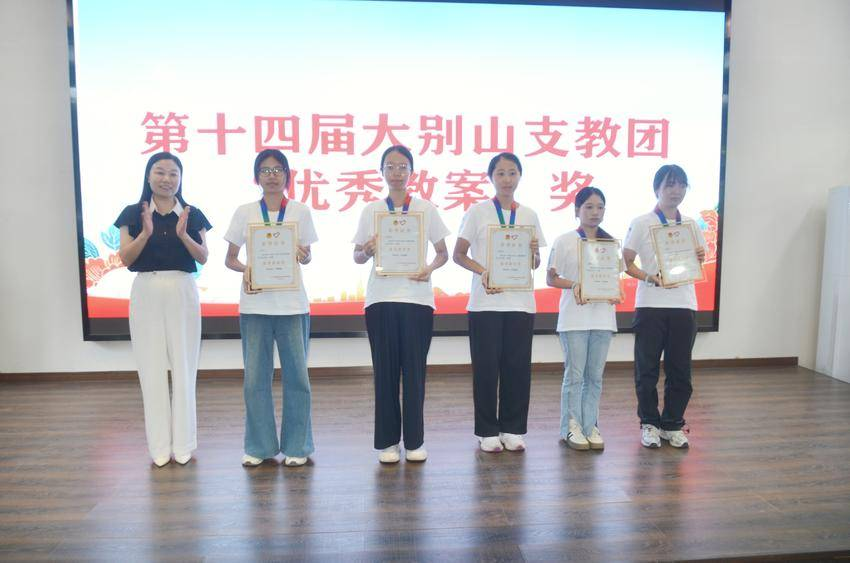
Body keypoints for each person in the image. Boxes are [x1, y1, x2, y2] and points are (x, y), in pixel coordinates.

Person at [353, 145, 449, 464]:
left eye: (403, 166)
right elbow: (357, 256)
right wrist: (366, 250)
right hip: (380, 300)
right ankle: (388, 442)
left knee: (415, 373)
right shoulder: (371, 210)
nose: (396, 172)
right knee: (385, 373)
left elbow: (442, 253)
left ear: (411, 172)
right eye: (390, 166)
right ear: (382, 172)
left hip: (417, 300)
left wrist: (429, 268)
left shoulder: (425, 209)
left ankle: (415, 441)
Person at [115, 151, 211, 467]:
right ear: (148, 176)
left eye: (173, 173)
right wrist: (145, 233)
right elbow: (126, 258)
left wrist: (183, 235)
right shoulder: (133, 213)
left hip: (182, 289)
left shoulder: (192, 214)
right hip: (147, 289)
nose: (166, 179)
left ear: (180, 179)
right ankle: (159, 446)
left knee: (184, 368)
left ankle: (183, 444)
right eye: (160, 172)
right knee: (151, 370)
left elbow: (203, 256)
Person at [224, 149, 317, 467]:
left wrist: (304, 255)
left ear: (287, 175)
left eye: (278, 170)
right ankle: (259, 446)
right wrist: (247, 270)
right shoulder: (245, 212)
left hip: (292, 306)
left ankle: (297, 446)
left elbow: (307, 256)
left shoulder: (300, 211)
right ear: (256, 177)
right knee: (255, 380)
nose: (272, 175)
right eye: (265, 170)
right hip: (255, 306)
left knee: (297, 379)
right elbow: (230, 259)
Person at [453, 152, 546, 453]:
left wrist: (534, 253)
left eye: (512, 173)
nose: (507, 179)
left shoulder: (529, 215)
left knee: (517, 369)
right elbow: (458, 254)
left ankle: (512, 428)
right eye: (501, 173)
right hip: (485, 305)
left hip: (520, 304)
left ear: (520, 176)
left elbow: (534, 263)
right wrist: (484, 272)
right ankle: (486, 431)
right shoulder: (477, 212)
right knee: (486, 370)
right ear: (491, 177)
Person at [623, 164, 706, 449]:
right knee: (646, 369)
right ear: (657, 188)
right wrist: (649, 277)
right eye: (670, 184)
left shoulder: (691, 225)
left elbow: (697, 261)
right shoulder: (641, 222)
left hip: (684, 305)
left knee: (680, 369)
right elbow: (627, 262)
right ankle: (649, 423)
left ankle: (672, 424)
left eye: (681, 185)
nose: (676, 191)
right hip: (651, 305)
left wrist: (699, 256)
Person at [546, 186, 621, 451]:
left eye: (600, 207)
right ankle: (571, 426)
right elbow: (551, 278)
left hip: (603, 319)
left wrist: (616, 292)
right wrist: (575, 284)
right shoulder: (565, 240)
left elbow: (614, 279)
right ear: (577, 210)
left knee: (595, 377)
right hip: (574, 319)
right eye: (588, 207)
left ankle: (590, 425)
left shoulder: (610, 243)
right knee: (575, 376)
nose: (594, 212)